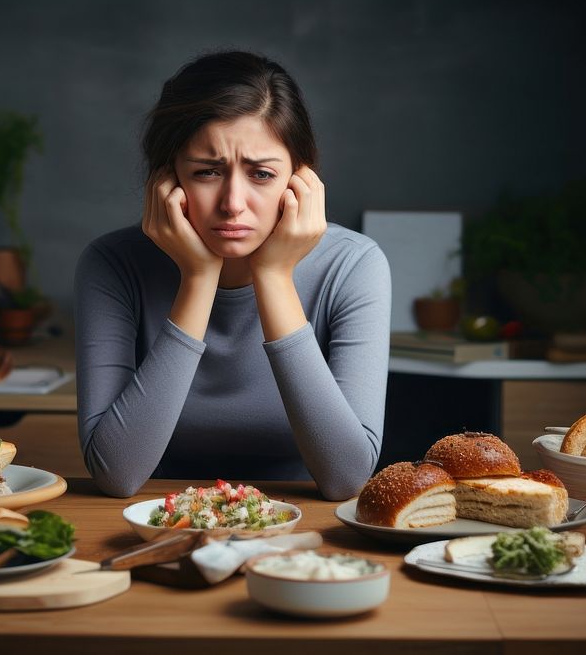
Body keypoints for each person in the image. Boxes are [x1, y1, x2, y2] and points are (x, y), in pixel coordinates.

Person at [74, 51, 391, 500]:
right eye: (207, 172)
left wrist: (275, 275)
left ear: (300, 178)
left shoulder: (354, 265)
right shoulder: (112, 264)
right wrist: (199, 277)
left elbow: (346, 478)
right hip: (156, 515)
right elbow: (117, 474)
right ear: (166, 178)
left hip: (303, 524)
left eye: (262, 174)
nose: (233, 203)